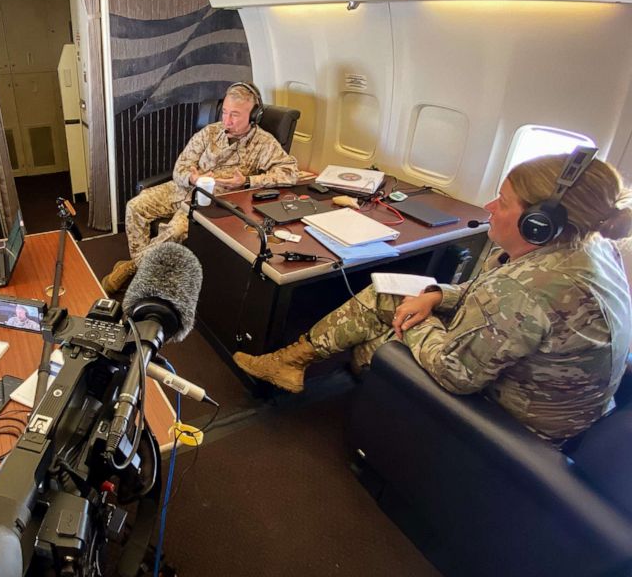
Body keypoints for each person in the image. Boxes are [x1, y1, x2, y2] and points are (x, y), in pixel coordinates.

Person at [234, 153, 632, 444]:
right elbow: (499, 308)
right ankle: (291, 361)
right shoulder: (590, 249)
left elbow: (455, 373)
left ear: (540, 225)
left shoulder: (525, 290)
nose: (490, 208)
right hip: (556, 402)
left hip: (515, 426)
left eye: (504, 203)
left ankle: (337, 392)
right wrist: (438, 294)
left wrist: (418, 320)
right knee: (388, 292)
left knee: (373, 344)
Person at [101, 83, 300, 294]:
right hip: (182, 188)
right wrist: (193, 177)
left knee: (177, 230)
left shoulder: (264, 143)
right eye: (224, 112)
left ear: (253, 116)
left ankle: (131, 268)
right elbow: (180, 168)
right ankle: (144, 271)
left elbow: (290, 173)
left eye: (235, 115)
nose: (227, 120)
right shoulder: (210, 132)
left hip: (210, 202)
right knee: (135, 206)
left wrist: (249, 182)